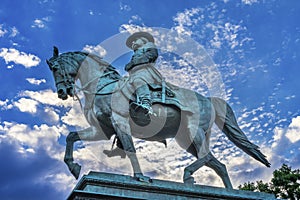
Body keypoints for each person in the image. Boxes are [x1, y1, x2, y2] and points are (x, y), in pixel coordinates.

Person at [124, 31, 162, 116]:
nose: (133, 43)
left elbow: (151, 55)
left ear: (143, 40)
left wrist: (133, 63)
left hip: (145, 72)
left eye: (135, 40)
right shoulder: (136, 53)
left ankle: (146, 105)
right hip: (133, 74)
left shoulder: (149, 46)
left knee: (138, 80)